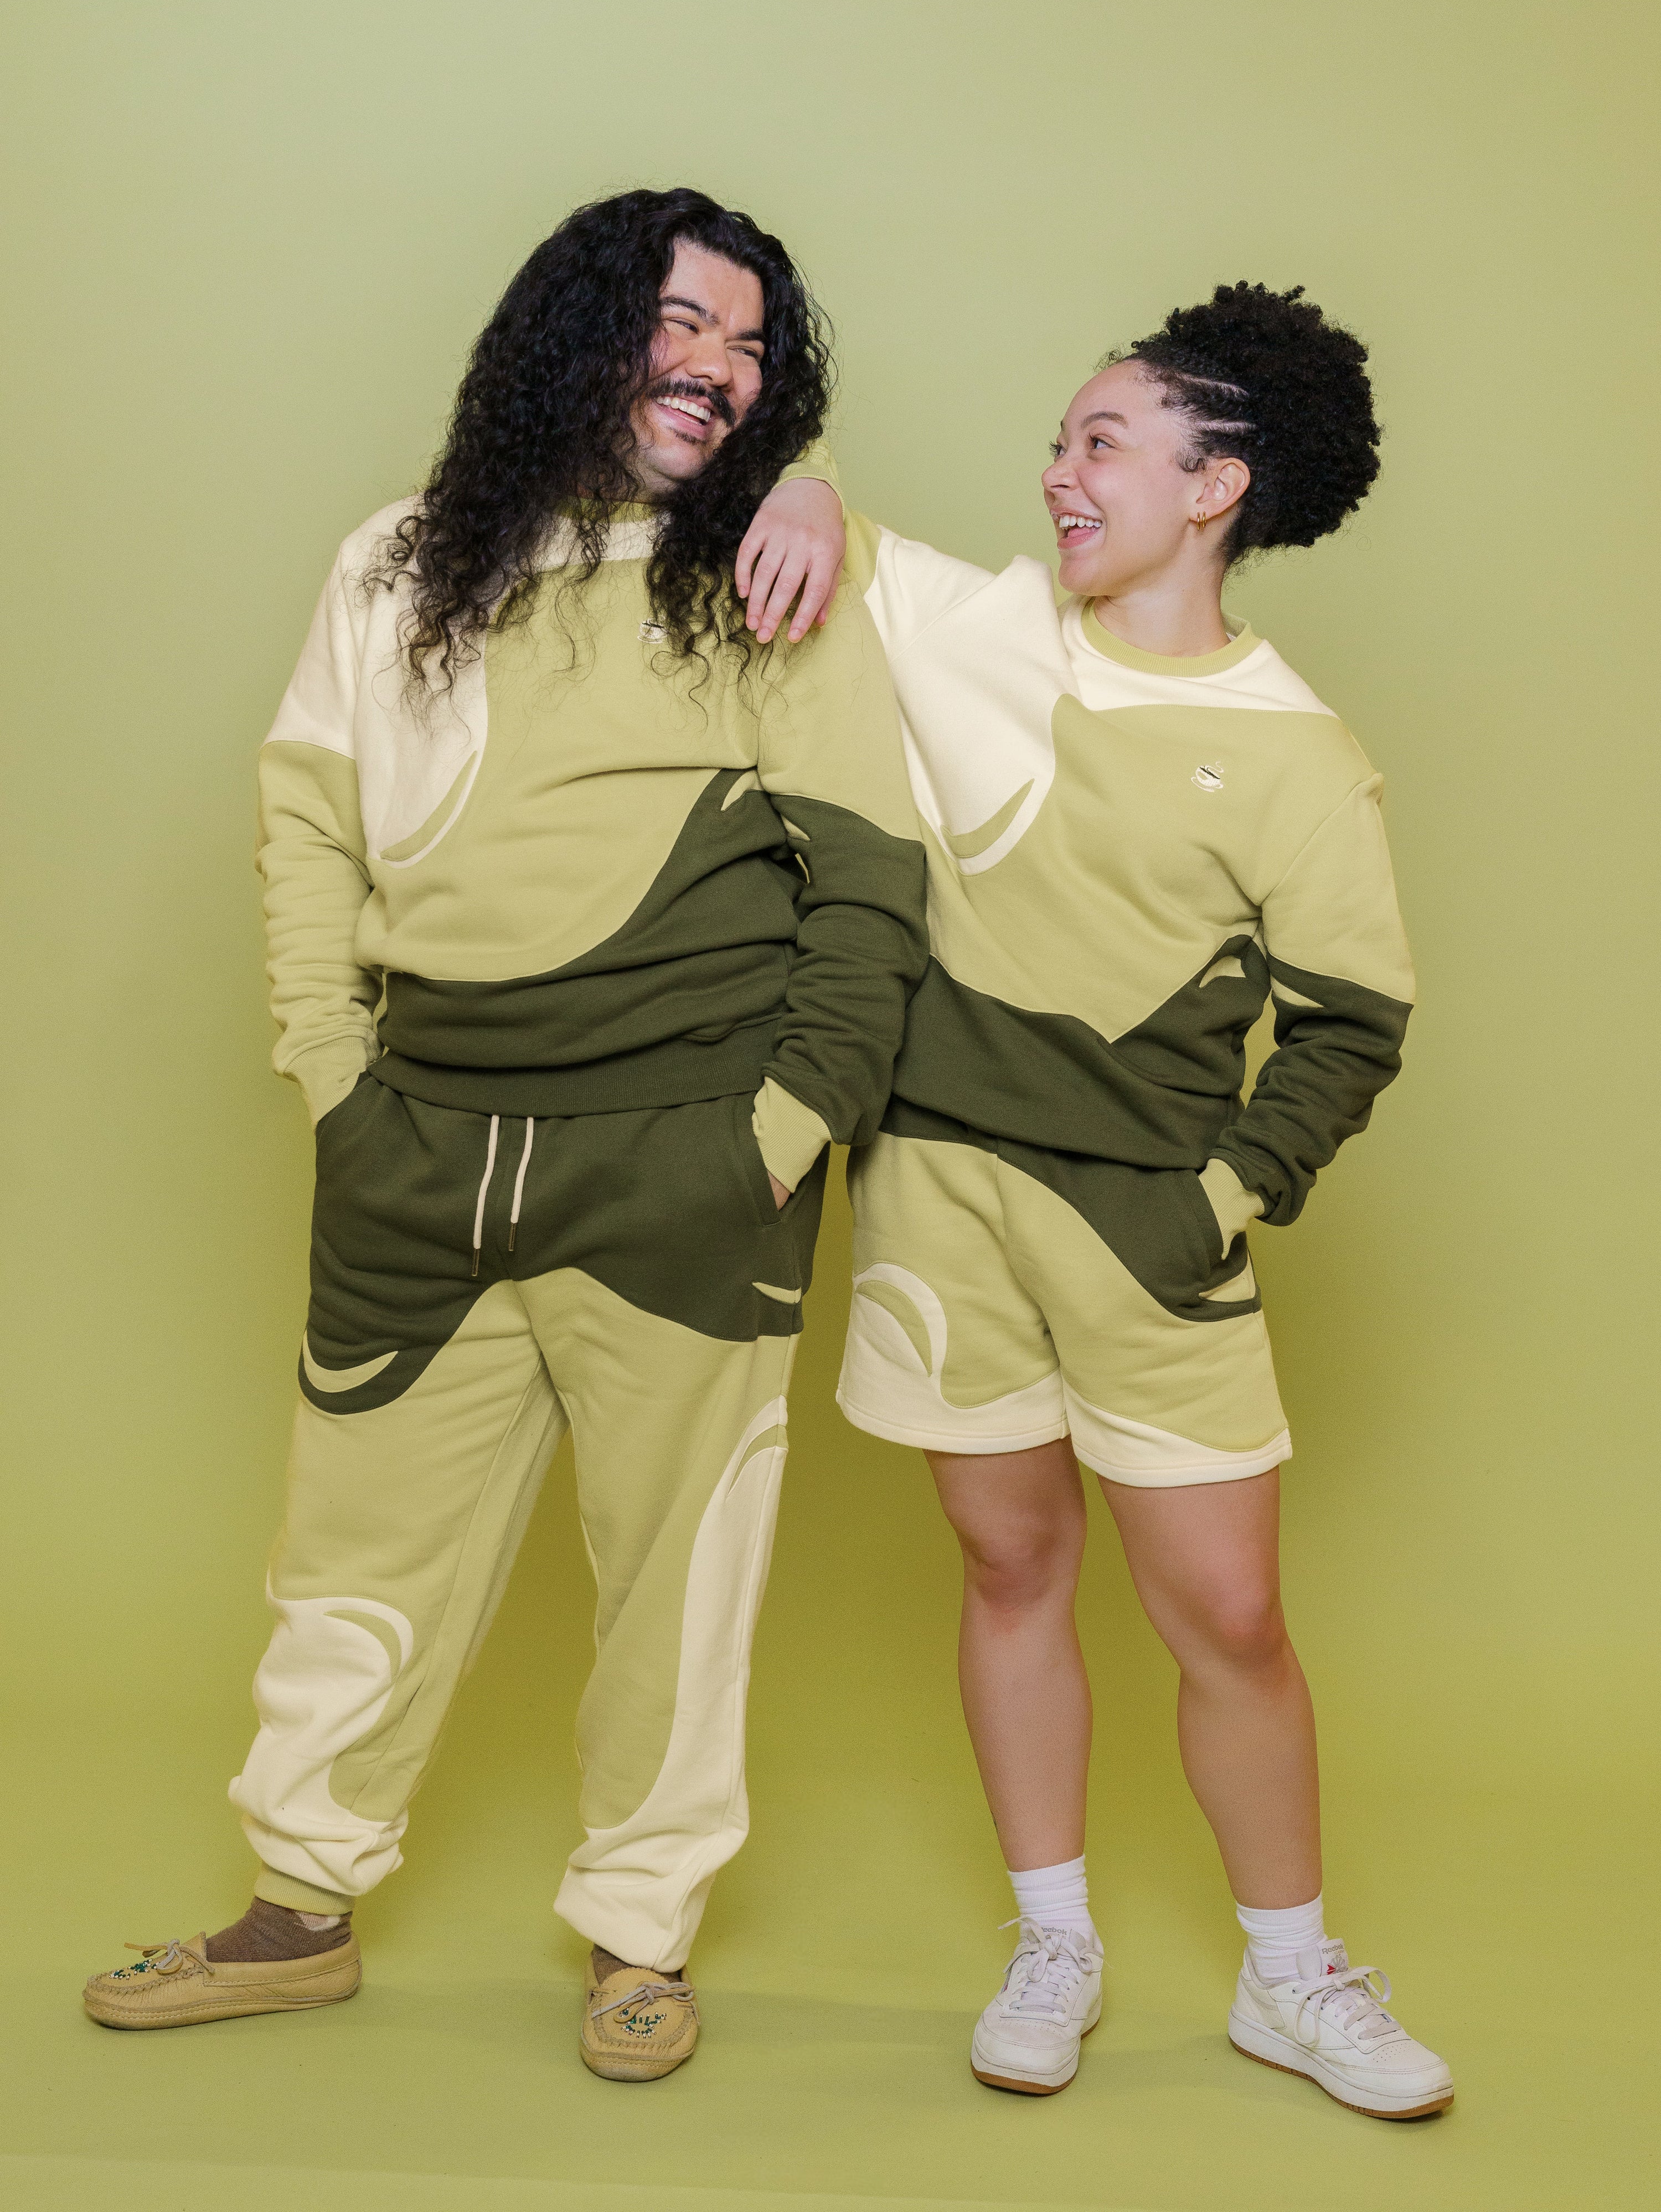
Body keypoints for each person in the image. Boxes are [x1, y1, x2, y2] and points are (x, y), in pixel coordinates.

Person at [82, 187, 925, 2082]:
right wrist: (334, 1083)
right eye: (686, 327)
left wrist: (784, 1129)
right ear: (576, 328)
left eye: (755, 352)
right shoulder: (395, 564)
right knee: (352, 1557)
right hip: (416, 1155)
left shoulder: (773, 575)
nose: (721, 372)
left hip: (691, 1161)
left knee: (680, 1577)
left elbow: (872, 882)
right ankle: (295, 1909)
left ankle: (644, 1937)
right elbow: (305, 817)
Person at [783, 284, 1452, 2117]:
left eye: (1103, 442)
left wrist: (1223, 1198)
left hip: (1149, 1238)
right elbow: (816, 515)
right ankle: (1054, 1936)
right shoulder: (988, 627)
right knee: (1010, 1565)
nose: (1061, 473)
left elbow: (1353, 1020)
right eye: (1063, 440)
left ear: (1214, 482)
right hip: (939, 1204)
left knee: (1228, 1618)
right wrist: (805, 490)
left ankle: (1291, 1977)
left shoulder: (1300, 749)